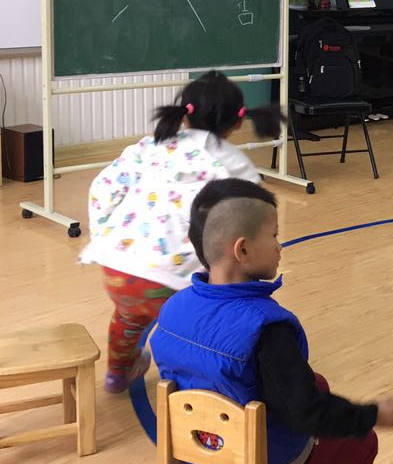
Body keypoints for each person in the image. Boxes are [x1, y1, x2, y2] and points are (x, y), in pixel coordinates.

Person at [151, 179, 393, 464]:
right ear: (243, 249)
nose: (279, 246)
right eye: (273, 235)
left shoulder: (172, 310)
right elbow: (307, 414)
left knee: (313, 382)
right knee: (362, 442)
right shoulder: (267, 329)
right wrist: (373, 414)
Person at [79, 71, 284, 393]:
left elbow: (103, 187)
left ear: (185, 116)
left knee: (128, 317)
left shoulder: (150, 145)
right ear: (237, 122)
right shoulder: (235, 164)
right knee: (197, 327)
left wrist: (103, 237)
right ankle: (200, 383)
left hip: (120, 272)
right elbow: (251, 218)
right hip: (178, 282)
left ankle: (118, 372)